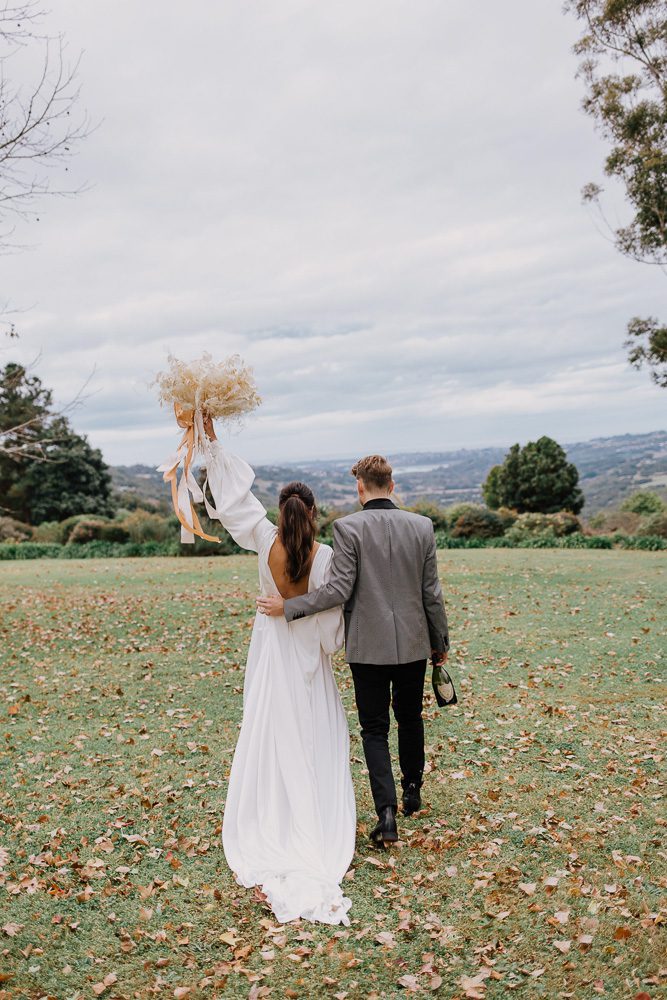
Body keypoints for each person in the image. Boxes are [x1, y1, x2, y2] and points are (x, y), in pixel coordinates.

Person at [202, 416, 356, 925]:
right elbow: (333, 616)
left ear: (282, 508)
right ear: (312, 511)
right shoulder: (327, 554)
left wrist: (210, 441)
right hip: (306, 656)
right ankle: (307, 818)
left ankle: (270, 811)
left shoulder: (264, 538)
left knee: (269, 730)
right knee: (311, 733)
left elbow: (232, 504)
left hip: (271, 652)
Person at [257, 454, 449, 847]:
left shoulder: (347, 529)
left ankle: (387, 814)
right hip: (413, 642)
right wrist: (438, 643)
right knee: (411, 718)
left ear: (359, 487)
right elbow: (432, 594)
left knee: (374, 729)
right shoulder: (422, 527)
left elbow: (338, 591)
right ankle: (413, 790)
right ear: (392, 486)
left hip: (368, 648)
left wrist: (288, 607)